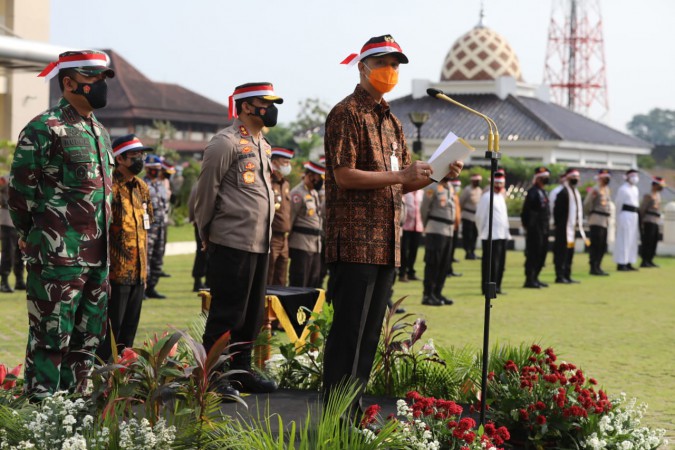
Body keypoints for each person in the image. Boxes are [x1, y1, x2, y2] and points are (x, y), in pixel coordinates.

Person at [322, 34, 463, 417]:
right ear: (363, 67)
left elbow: (404, 181)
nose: (391, 71)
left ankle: (354, 411)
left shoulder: (393, 122)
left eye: (396, 64)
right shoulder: (346, 113)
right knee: (348, 335)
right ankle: (336, 415)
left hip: (386, 241)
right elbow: (345, 176)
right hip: (354, 241)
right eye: (384, 63)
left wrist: (438, 176)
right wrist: (400, 173)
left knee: (368, 337)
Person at [9, 50, 115, 399]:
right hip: (57, 255)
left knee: (88, 338)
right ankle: (42, 408)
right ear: (69, 83)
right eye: (92, 79)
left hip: (98, 257)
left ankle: (75, 406)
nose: (100, 86)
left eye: (103, 79)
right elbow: (20, 193)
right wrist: (31, 236)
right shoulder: (44, 128)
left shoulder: (98, 131)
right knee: (50, 336)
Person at [194, 82, 283, 395]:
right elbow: (206, 190)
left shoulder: (262, 144)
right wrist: (204, 231)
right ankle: (212, 375)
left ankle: (241, 370)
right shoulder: (225, 142)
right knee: (227, 312)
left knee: (252, 314)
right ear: (246, 106)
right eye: (265, 102)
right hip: (231, 239)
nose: (271, 108)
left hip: (259, 241)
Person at [97, 134, 153, 362]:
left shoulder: (141, 187)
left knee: (129, 330)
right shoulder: (108, 186)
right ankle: (103, 376)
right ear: (119, 158)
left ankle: (124, 374)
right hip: (116, 272)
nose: (140, 159)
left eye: (142, 154)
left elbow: (148, 222)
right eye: (135, 155)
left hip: (139, 272)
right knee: (111, 331)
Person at [288, 160, 325, 288]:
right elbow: (290, 219)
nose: (321, 181)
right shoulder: (297, 193)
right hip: (301, 245)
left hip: (315, 245)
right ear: (310, 175)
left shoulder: (314, 193)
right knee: (299, 281)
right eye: (319, 177)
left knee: (312, 282)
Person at [420, 177, 456, 306]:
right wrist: (426, 225)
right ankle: (427, 295)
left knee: (444, 264)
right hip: (435, 229)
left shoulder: (450, 187)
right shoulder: (432, 187)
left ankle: (437, 293)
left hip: (448, 231)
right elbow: (424, 208)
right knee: (432, 263)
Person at [476, 169, 510, 295]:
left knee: (500, 264)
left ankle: (497, 287)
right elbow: (479, 216)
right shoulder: (486, 196)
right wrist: (482, 232)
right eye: (497, 184)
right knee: (490, 265)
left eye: (501, 184)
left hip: (502, 235)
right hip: (490, 235)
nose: (499, 186)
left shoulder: (501, 197)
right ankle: (487, 288)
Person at [552, 168, 587, 284]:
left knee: (569, 252)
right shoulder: (563, 193)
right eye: (573, 177)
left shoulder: (575, 192)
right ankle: (560, 275)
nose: (575, 179)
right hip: (563, 229)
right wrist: (560, 225)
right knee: (561, 252)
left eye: (577, 177)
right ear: (567, 178)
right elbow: (557, 212)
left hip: (572, 229)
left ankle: (567, 274)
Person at [267, 147, 294, 286]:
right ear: (275, 162)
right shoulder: (268, 181)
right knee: (268, 276)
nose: (288, 165)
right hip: (271, 237)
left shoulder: (286, 184)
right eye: (285, 161)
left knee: (281, 278)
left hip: (284, 238)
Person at [521, 166, 551, 288]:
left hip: (543, 228)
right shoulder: (532, 192)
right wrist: (530, 227)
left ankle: (536, 277)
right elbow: (526, 212)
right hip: (535, 229)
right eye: (543, 178)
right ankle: (530, 279)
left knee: (541, 253)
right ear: (538, 179)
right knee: (533, 254)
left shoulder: (543, 192)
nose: (545, 180)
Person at [144, 155, 168, 299]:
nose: (155, 171)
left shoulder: (161, 185)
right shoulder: (142, 184)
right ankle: (143, 289)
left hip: (161, 226)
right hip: (149, 228)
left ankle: (152, 287)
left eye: (157, 169)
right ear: (147, 169)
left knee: (158, 258)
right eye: (152, 169)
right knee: (147, 257)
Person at [583, 169, 612, 276]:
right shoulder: (595, 189)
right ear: (600, 178)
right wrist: (590, 214)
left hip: (604, 220)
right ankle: (593, 266)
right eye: (605, 177)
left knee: (602, 245)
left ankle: (598, 266)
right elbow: (587, 203)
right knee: (595, 244)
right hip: (596, 219)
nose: (607, 179)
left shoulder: (607, 189)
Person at [0, 175, 25, 293]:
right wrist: (5, 202)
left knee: (20, 251)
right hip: (8, 220)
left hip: (21, 221)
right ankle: (3, 282)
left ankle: (19, 280)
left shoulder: (27, 176)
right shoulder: (5, 178)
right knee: (8, 251)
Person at [614, 169, 640, 271]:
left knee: (632, 239)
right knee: (624, 239)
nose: (634, 178)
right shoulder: (623, 189)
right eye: (632, 175)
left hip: (634, 215)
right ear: (627, 177)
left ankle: (630, 261)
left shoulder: (635, 189)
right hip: (625, 214)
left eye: (636, 176)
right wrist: (618, 218)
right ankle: (621, 262)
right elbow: (618, 203)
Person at [639, 176, 665, 268]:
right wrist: (641, 221)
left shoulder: (658, 195)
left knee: (654, 241)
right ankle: (644, 260)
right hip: (648, 220)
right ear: (654, 185)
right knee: (647, 241)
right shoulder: (648, 195)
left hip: (656, 220)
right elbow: (642, 209)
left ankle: (650, 259)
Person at [188, 183, 208, 291]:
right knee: (203, 253)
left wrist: (192, 218)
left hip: (200, 222)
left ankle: (200, 280)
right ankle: (199, 281)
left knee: (202, 253)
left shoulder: (199, 184)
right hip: (204, 223)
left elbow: (191, 203)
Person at [400, 190, 424, 282]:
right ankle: (402, 273)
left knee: (414, 250)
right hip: (406, 226)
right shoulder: (406, 192)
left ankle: (411, 272)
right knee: (404, 251)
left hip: (417, 225)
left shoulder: (421, 193)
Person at [459, 173, 483, 260]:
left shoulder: (479, 190)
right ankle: (467, 252)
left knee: (474, 235)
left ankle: (472, 251)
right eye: (476, 181)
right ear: (473, 181)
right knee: (467, 235)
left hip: (475, 217)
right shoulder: (467, 190)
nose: (478, 182)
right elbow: (461, 202)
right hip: (467, 216)